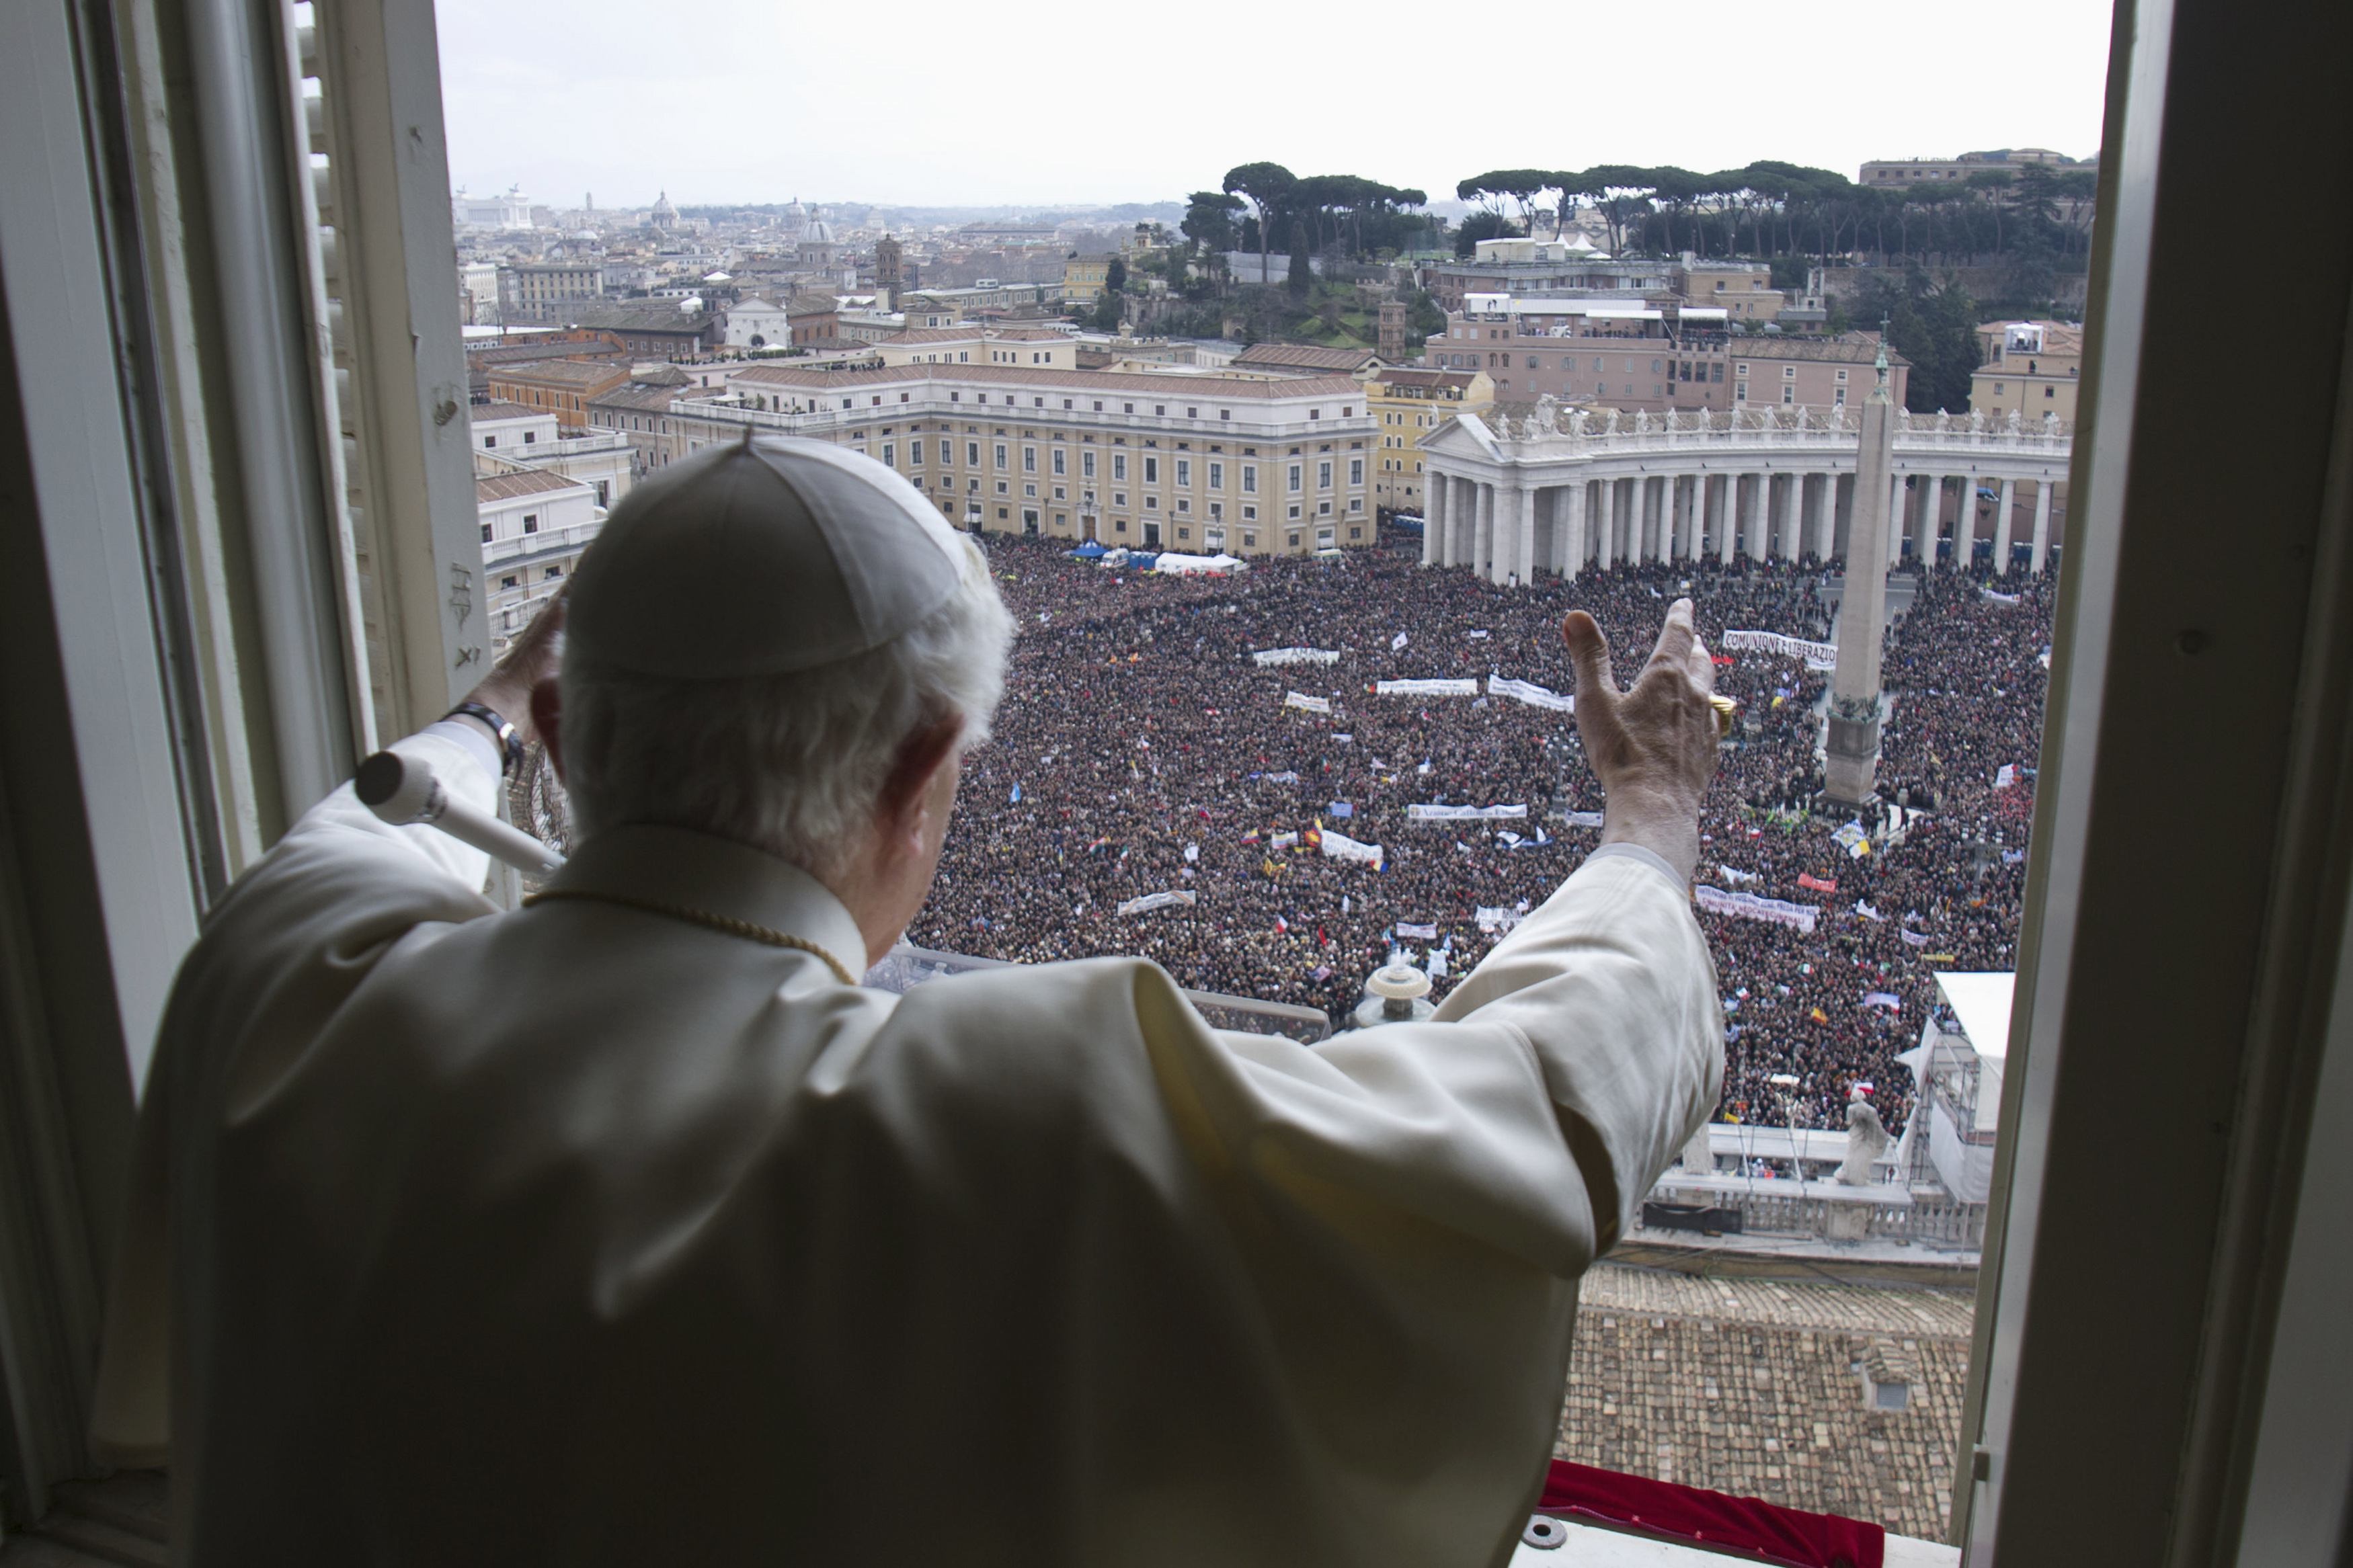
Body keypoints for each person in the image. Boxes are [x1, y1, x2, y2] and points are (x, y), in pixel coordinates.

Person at [93, 435, 1726, 1566]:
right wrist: (1648, 829)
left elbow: (349, 833)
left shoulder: (281, 987)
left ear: (576, 746)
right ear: (924, 771)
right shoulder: (1018, 1116)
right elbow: (1541, 1117)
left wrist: (487, 716)